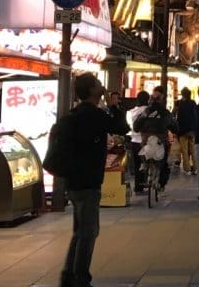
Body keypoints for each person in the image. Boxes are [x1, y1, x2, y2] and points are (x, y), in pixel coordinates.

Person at [56, 73, 124, 287]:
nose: (102, 85)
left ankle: (69, 276)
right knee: (89, 232)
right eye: (98, 83)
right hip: (88, 182)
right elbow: (122, 127)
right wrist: (112, 104)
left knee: (80, 231)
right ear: (92, 90)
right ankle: (80, 278)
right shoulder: (95, 115)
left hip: (73, 181)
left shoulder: (74, 114)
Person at [134, 89, 174, 191]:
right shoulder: (165, 113)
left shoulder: (145, 112)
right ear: (161, 100)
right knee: (165, 163)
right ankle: (161, 183)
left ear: (150, 100)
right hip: (160, 142)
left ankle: (144, 166)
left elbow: (136, 127)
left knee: (142, 155)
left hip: (146, 142)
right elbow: (174, 127)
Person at [126, 91, 149, 192]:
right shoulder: (148, 111)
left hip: (134, 140)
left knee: (137, 164)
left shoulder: (130, 112)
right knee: (147, 162)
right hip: (146, 141)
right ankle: (145, 182)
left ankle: (138, 186)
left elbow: (130, 127)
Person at [175, 87, 198, 175]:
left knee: (184, 150)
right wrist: (193, 129)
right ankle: (195, 168)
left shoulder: (179, 103)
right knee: (193, 150)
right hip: (191, 130)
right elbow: (195, 117)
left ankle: (187, 169)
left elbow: (178, 117)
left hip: (182, 130)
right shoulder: (193, 103)